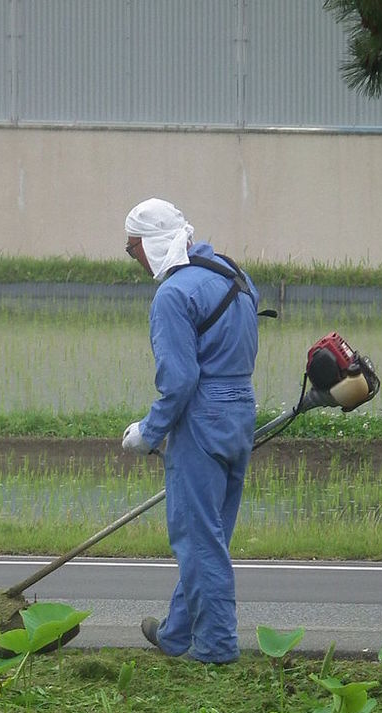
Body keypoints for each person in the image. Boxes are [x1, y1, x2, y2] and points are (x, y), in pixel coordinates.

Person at [122, 198, 259, 664]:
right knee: (211, 533)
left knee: (199, 541)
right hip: (241, 412)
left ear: (152, 244)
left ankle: (217, 648)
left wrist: (148, 431)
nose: (133, 257)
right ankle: (177, 634)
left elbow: (180, 380)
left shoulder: (173, 296)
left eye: (132, 247)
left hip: (202, 419)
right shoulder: (232, 274)